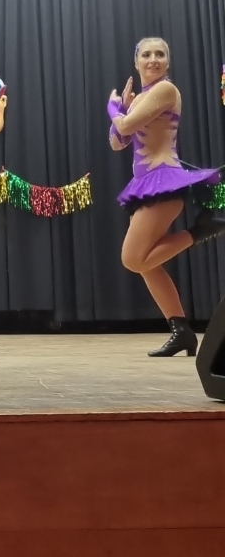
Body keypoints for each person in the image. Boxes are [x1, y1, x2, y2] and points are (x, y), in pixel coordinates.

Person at [108, 35, 225, 357]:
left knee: (133, 259)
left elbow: (125, 126)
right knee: (147, 263)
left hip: (164, 180)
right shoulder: (143, 98)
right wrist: (123, 110)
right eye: (146, 54)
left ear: (168, 61)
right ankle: (181, 330)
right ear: (136, 62)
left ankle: (201, 230)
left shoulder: (165, 90)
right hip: (146, 184)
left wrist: (114, 108)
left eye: (159, 54)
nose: (153, 59)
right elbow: (117, 142)